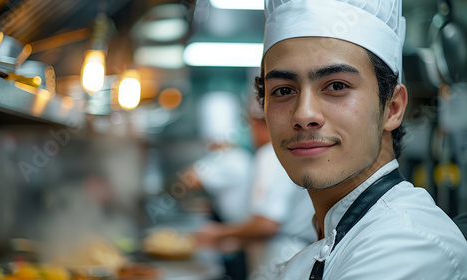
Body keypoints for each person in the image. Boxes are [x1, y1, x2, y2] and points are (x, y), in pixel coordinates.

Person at [254, 0, 467, 279]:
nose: (304, 115)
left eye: (337, 86)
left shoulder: (409, 243)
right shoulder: (333, 234)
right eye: (283, 90)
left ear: (392, 108)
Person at [196, 100, 316, 280]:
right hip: (299, 253)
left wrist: (217, 233)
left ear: (259, 122)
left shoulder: (271, 154)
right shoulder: (295, 152)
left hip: (278, 257)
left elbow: (267, 225)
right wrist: (237, 239)